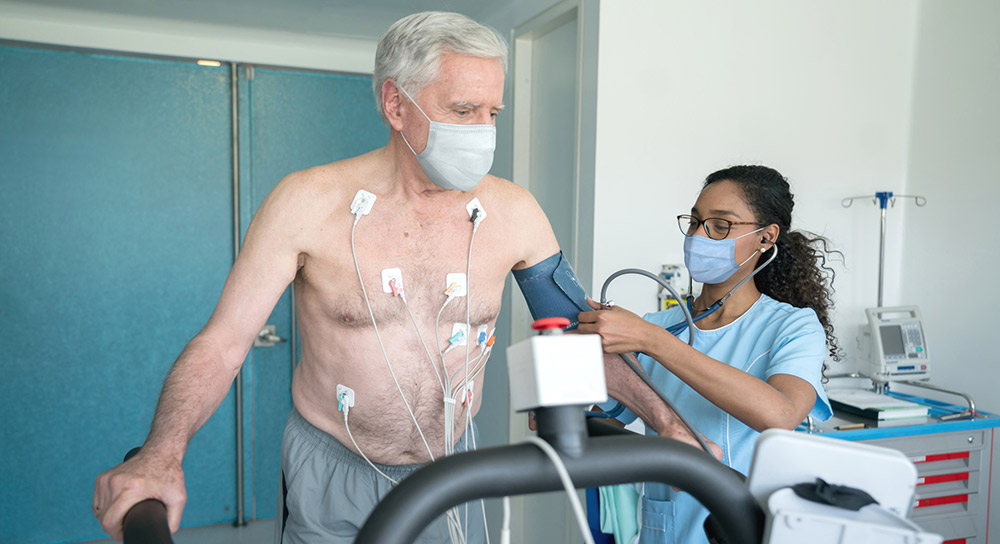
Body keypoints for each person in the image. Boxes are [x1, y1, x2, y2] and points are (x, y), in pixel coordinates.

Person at [93, 12, 585, 544]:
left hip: (451, 471)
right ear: (395, 104)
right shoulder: (307, 202)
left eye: (492, 112)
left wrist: (671, 427)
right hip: (331, 467)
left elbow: (581, 327)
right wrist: (161, 455)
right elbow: (223, 344)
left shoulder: (515, 212)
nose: (483, 132)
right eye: (463, 110)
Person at [577, 165, 841, 544]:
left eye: (721, 226)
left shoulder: (792, 327)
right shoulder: (658, 324)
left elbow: (780, 414)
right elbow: (601, 429)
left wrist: (654, 341)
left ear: (766, 237)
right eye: (696, 222)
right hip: (665, 531)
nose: (699, 236)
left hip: (744, 529)